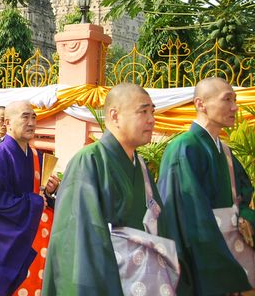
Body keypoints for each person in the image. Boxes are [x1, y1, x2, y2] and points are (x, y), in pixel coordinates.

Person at [43, 83, 169, 295]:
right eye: (143, 111)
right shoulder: (89, 161)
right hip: (106, 283)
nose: (151, 119)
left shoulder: (141, 166)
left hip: (142, 282)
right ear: (115, 115)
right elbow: (79, 241)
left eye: (152, 112)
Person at [158, 77, 255, 295]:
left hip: (232, 246)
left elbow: (242, 196)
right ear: (200, 104)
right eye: (227, 99)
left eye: (235, 99)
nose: (235, 107)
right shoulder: (183, 147)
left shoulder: (226, 152)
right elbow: (185, 215)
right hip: (203, 256)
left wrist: (244, 217)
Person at [0, 101, 59, 295]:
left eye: (34, 117)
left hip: (31, 237)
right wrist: (34, 202)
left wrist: (49, 191)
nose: (31, 122)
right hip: (5, 240)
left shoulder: (36, 156)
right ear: (7, 122)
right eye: (25, 116)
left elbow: (42, 196)